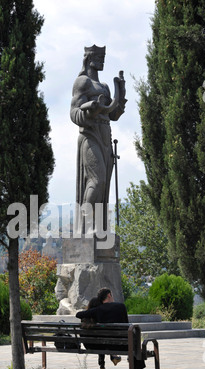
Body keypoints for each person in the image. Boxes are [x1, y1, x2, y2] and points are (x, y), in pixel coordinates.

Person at [70, 45, 126, 234]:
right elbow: (74, 112)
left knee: (104, 186)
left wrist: (121, 93)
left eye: (103, 57)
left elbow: (114, 114)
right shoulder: (82, 82)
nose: (101, 60)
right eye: (98, 57)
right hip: (90, 135)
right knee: (97, 180)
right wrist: (90, 110)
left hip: (105, 136)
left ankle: (100, 228)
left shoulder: (105, 87)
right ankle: (85, 227)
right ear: (89, 58)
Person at [76, 288, 145, 369]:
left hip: (106, 346)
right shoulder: (120, 306)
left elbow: (78, 315)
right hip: (123, 345)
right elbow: (126, 324)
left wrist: (91, 311)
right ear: (109, 295)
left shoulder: (97, 310)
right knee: (134, 339)